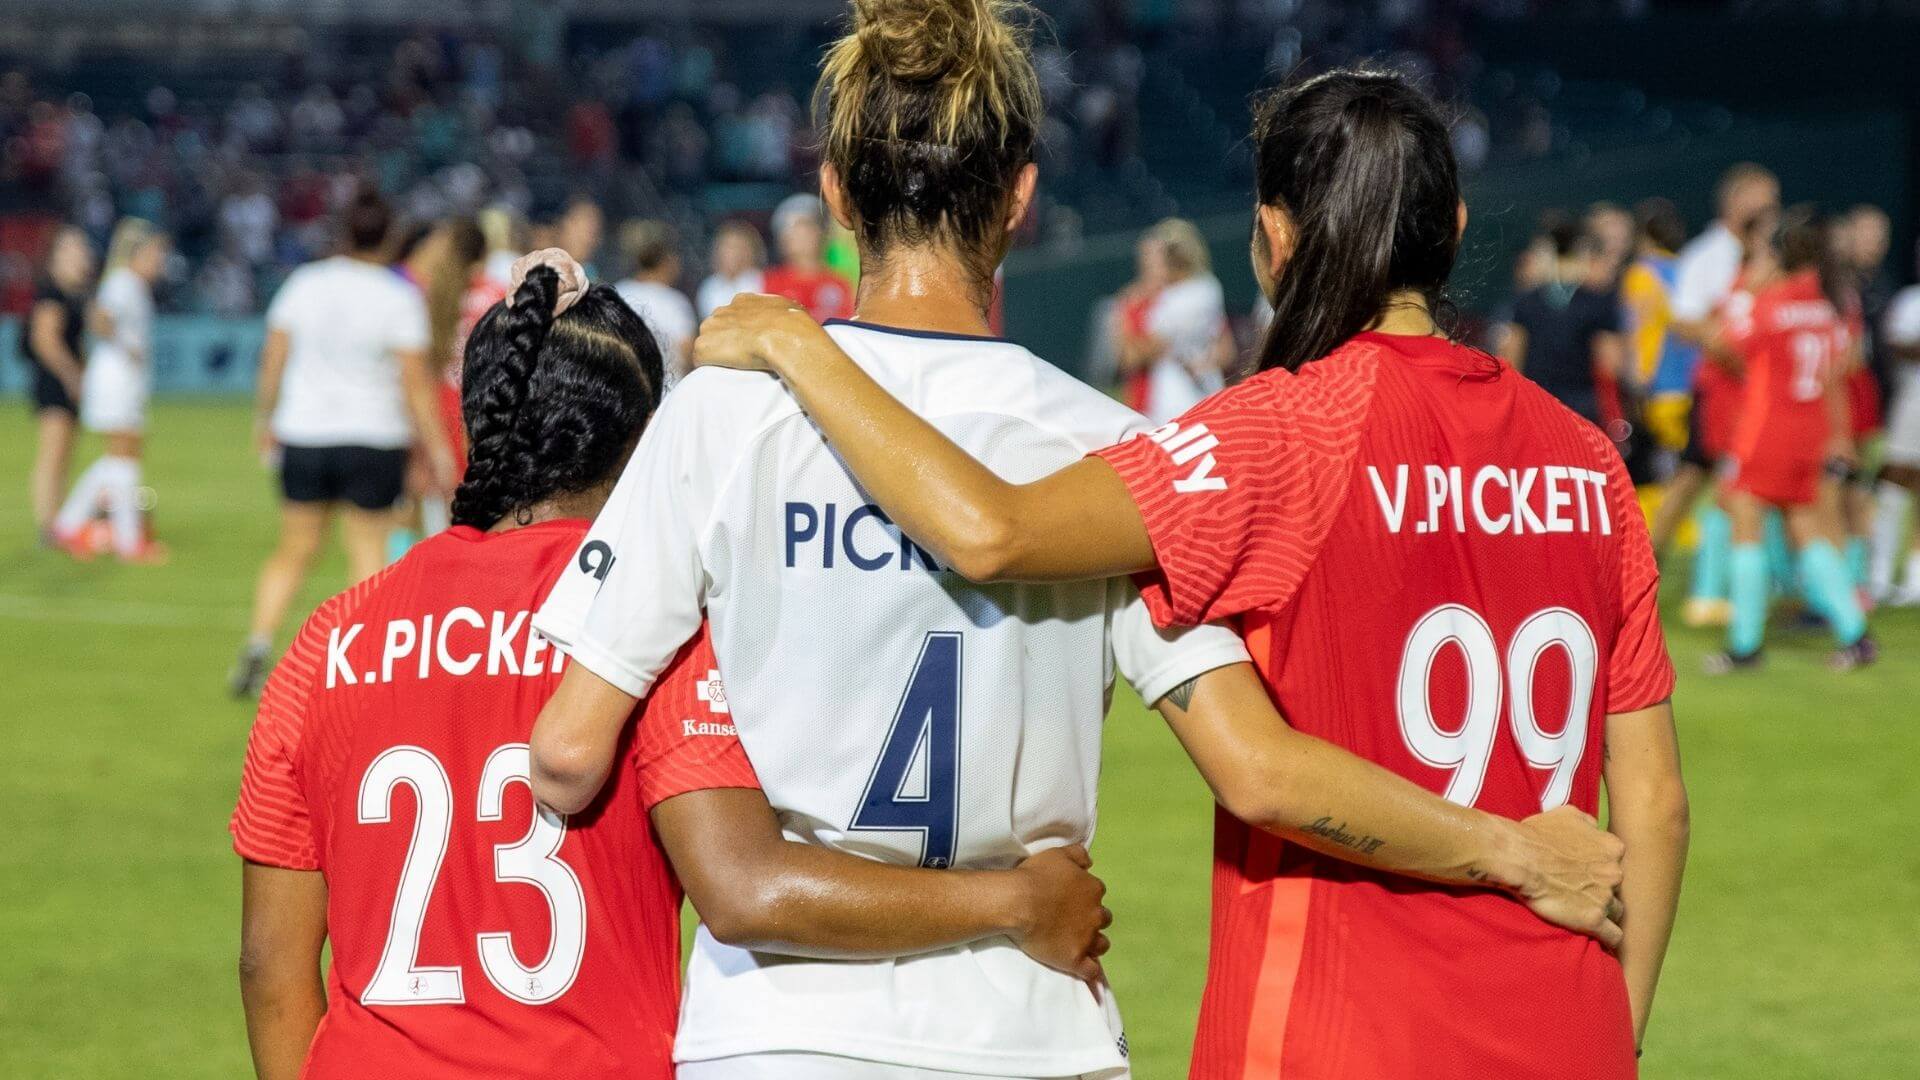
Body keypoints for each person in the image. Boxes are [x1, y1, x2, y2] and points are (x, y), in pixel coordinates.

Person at [528, 22, 1633, 1080]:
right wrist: (1509, 847)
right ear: (1021, 199)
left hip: (775, 1022)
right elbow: (1249, 756)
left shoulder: (722, 416)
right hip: (1026, 1021)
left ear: (833, 195)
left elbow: (571, 752)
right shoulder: (1115, 445)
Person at [231, 264, 1110, 1080]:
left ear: (481, 415)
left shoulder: (330, 635)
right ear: (650, 436)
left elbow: (271, 965)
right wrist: (1015, 901)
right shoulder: (649, 627)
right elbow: (746, 884)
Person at [230, 188, 456, 698]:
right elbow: (415, 386)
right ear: (392, 236)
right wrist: (438, 450)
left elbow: (273, 357)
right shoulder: (397, 297)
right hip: (373, 437)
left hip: (306, 434)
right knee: (367, 554)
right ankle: (363, 668)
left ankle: (258, 645)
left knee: (293, 549)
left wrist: (265, 418)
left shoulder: (304, 284)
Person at [1705, 209, 1876, 673]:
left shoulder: (1771, 305)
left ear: (1778, 254)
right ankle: (1855, 634)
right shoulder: (1826, 308)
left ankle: (1745, 646)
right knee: (1806, 527)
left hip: (1767, 431)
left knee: (1745, 523)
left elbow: (1722, 340)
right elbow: (1844, 368)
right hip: (1811, 431)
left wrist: (1752, 285)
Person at [1649, 164, 1780, 627]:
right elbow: (1684, 319)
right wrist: (1728, 345)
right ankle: (1645, 576)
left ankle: (1718, 591)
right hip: (1718, 392)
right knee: (1692, 483)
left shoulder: (1768, 256)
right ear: (1735, 202)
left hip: (1757, 393)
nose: (1771, 210)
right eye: (1762, 200)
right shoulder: (1708, 255)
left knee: (1729, 486)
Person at [51, 218, 170, 564]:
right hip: (115, 380)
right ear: (138, 252)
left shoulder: (128, 284)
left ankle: (68, 524)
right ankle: (129, 542)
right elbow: (100, 317)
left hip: (120, 380)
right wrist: (123, 344)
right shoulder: (122, 283)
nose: (160, 261)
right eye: (156, 252)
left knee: (116, 460)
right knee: (124, 459)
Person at [1502, 213, 1627, 428]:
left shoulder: (1526, 301)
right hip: (1583, 407)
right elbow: (1611, 362)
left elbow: (1511, 358)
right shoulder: (1597, 302)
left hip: (1538, 404)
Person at [1116, 218, 1229, 424]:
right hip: (1146, 405)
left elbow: (1226, 351)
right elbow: (1128, 358)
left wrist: (1197, 361)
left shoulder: (1187, 295)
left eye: (1159, 256)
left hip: (1190, 397)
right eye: (1149, 257)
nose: (1153, 264)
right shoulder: (1134, 302)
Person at [24, 226, 95, 546]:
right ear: (56, 257)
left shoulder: (74, 294)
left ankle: (60, 520)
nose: (81, 253)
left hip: (66, 378)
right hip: (53, 380)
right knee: (52, 453)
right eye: (73, 248)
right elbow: (45, 340)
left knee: (65, 454)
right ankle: (47, 524)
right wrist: (71, 375)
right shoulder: (51, 293)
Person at [1871, 238, 1920, 605]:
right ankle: (1881, 572)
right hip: (1912, 401)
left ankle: (1915, 577)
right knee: (1895, 479)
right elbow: (1892, 344)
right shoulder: (1910, 301)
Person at [613, 220, 698, 380]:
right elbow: (689, 356)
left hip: (624, 392)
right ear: (667, 260)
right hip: (666, 396)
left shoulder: (618, 292)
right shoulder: (676, 303)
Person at [762, 195, 854, 322]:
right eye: (786, 228)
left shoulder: (839, 284)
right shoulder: (766, 283)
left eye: (803, 225)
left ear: (820, 231)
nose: (794, 234)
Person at [696, 219, 766, 318]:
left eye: (738, 246)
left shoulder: (762, 281)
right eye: (728, 246)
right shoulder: (709, 287)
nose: (733, 253)